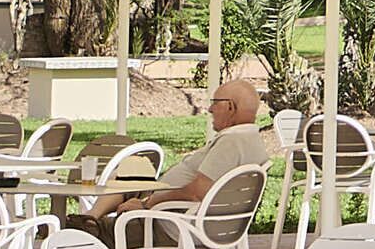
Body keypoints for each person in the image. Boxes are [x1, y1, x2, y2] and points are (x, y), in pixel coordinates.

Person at [90, 75, 276, 230]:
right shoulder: (251, 140)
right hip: (179, 217)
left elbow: (197, 192)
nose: (210, 109)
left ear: (230, 107)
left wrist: (146, 204)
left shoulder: (231, 143)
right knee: (127, 177)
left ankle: (88, 226)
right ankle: (91, 216)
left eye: (215, 103)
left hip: (169, 224)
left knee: (90, 235)